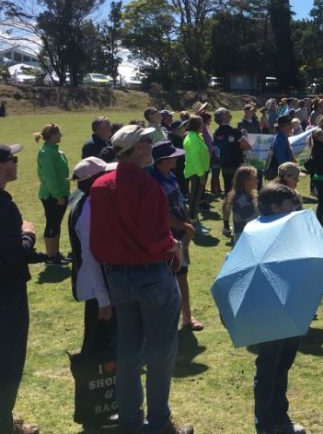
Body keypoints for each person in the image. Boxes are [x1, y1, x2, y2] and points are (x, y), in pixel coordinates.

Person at [89, 124, 193, 434]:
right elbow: (153, 238)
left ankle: (131, 423)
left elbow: (96, 243)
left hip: (118, 278)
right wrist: (172, 246)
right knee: (161, 353)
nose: (152, 147)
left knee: (128, 353)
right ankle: (159, 423)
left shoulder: (100, 186)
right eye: (148, 142)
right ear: (137, 149)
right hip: (151, 276)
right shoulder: (148, 187)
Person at [251, 183, 307, 434]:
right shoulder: (258, 232)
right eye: (289, 203)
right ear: (274, 207)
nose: (294, 207)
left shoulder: (290, 228)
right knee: (268, 367)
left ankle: (280, 416)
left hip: (291, 307)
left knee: (283, 364)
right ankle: (265, 423)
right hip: (269, 311)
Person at [0, 142, 41, 434]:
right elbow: (15, 254)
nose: (16, 163)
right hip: (8, 293)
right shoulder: (5, 207)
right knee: (9, 359)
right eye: (12, 159)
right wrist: (27, 235)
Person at [151, 141, 203, 332]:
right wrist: (183, 225)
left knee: (182, 276)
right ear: (163, 160)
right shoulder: (155, 183)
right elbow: (161, 214)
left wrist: (187, 219)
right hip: (169, 239)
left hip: (181, 236)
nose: (177, 158)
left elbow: (179, 201)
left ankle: (187, 318)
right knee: (169, 279)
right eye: (173, 156)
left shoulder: (170, 175)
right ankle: (170, 320)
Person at [68, 157, 117, 356]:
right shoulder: (89, 209)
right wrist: (104, 301)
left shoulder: (84, 200)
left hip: (97, 285)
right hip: (97, 287)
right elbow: (91, 257)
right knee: (99, 347)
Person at [34, 123, 70, 266]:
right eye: (58, 133)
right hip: (52, 196)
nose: (61, 136)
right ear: (52, 136)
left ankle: (56, 253)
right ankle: (50, 257)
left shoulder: (56, 152)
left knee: (56, 224)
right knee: (52, 223)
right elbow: (50, 177)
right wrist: (57, 195)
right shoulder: (46, 153)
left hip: (60, 194)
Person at [183, 115, 210, 233]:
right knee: (194, 198)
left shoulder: (194, 136)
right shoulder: (193, 139)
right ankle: (194, 223)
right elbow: (195, 159)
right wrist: (201, 174)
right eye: (201, 123)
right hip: (196, 173)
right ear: (196, 125)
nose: (203, 126)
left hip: (197, 172)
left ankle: (194, 220)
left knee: (195, 197)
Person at [214, 107, 250, 193]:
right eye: (227, 112)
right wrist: (244, 137)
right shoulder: (234, 131)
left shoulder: (216, 132)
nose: (229, 112)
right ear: (223, 117)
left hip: (224, 163)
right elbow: (247, 146)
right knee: (238, 189)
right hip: (236, 163)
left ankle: (228, 204)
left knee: (228, 188)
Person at [224, 165, 259, 243]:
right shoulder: (240, 199)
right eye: (255, 178)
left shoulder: (248, 195)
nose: (257, 180)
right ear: (245, 181)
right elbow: (250, 217)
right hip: (243, 238)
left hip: (248, 236)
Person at [266, 115, 295, 180]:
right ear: (283, 126)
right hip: (282, 175)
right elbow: (282, 162)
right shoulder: (280, 140)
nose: (291, 126)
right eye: (289, 124)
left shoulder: (282, 137)